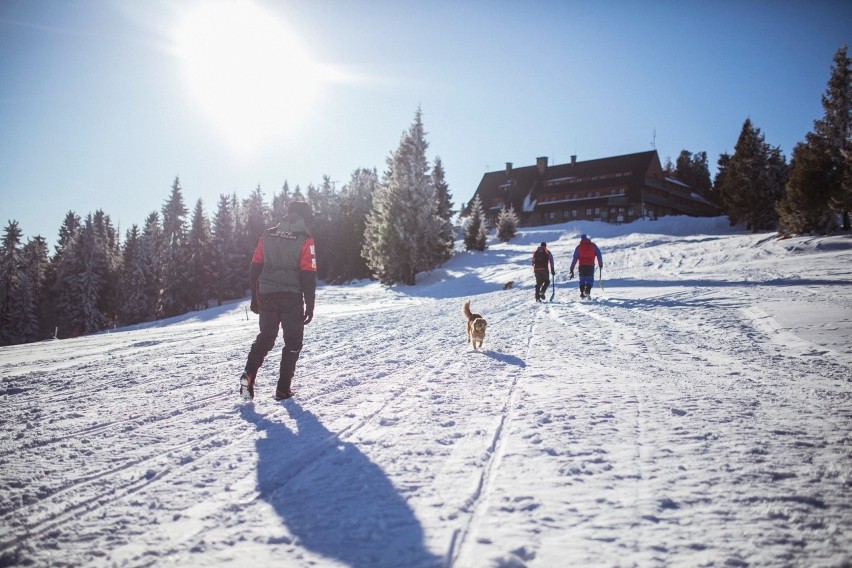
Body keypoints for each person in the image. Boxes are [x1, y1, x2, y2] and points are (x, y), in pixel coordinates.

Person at [240, 201, 317, 401]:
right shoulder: (306, 239)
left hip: (266, 293)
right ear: (304, 218)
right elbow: (308, 274)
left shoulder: (267, 234)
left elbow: (255, 266)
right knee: (293, 342)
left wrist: (255, 296)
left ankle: (248, 375)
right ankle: (283, 389)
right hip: (291, 296)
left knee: (266, 337)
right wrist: (310, 303)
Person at [569, 234, 603, 299]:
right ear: (587, 238)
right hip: (590, 266)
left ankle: (582, 293)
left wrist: (572, 268)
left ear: (581, 239)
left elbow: (575, 258)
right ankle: (587, 290)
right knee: (590, 279)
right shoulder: (593, 245)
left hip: (582, 266)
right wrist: (600, 264)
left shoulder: (578, 247)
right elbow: (599, 254)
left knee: (582, 280)